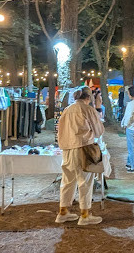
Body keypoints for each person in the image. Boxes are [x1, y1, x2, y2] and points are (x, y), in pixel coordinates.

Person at [56, 87, 105, 226]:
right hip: (83, 148)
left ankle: (63, 212)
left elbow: (60, 130)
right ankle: (85, 214)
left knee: (67, 180)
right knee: (85, 181)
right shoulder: (87, 109)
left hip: (67, 149)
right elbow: (99, 131)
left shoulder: (67, 110)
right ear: (88, 97)